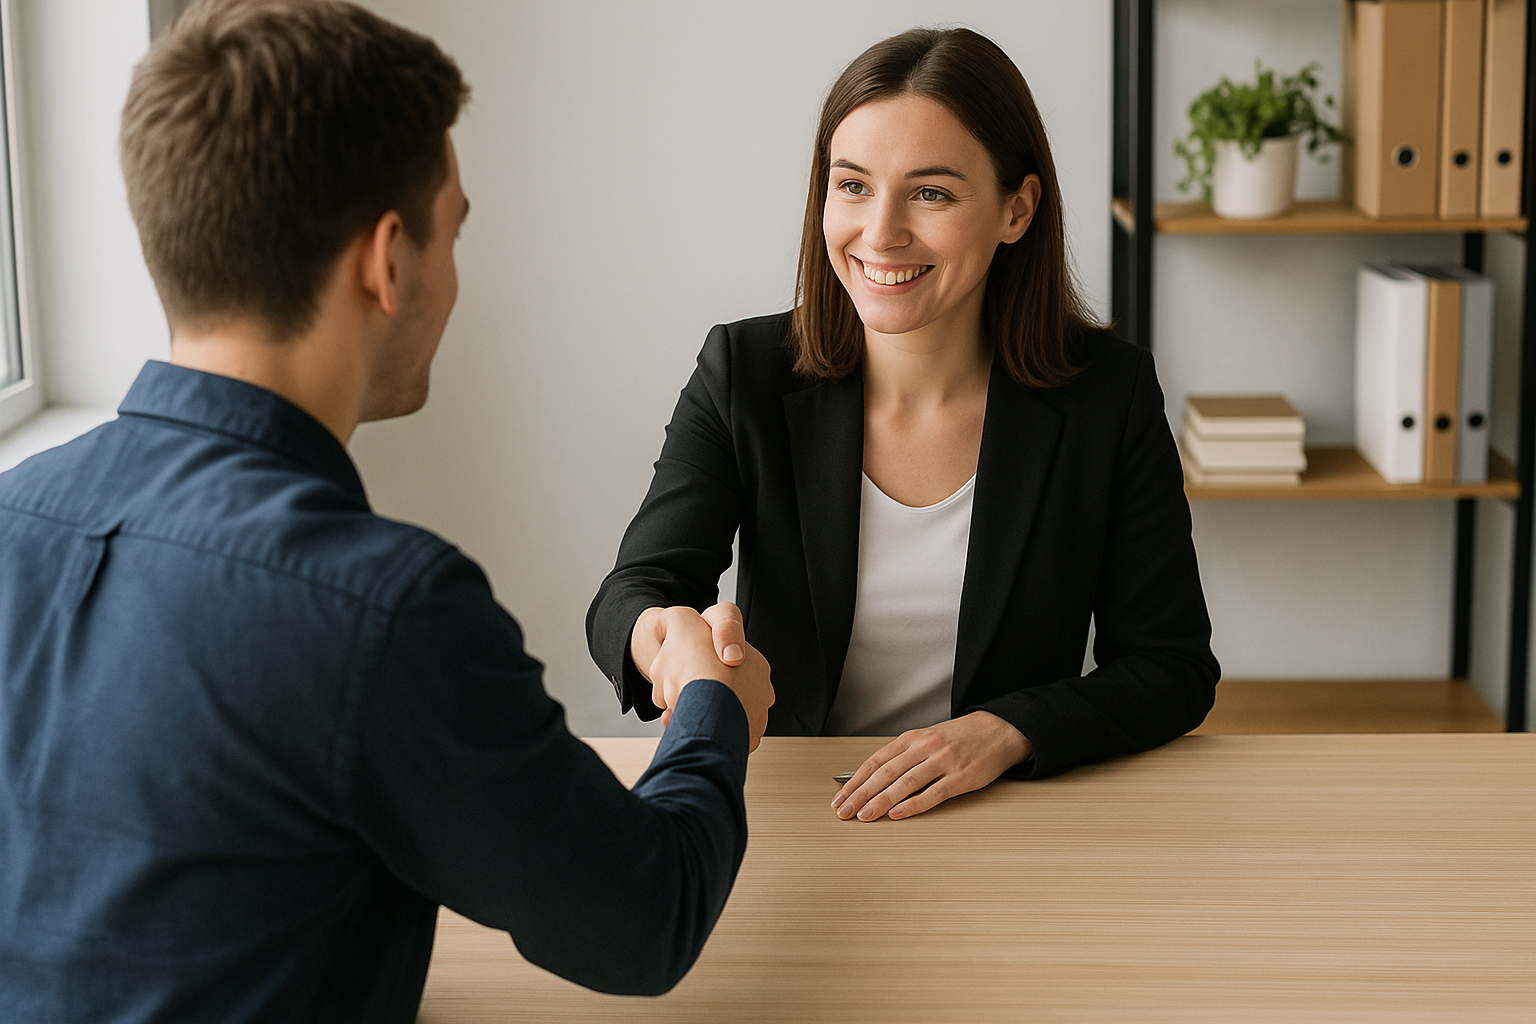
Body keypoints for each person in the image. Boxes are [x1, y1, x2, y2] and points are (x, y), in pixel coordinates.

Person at [0, 2, 772, 1021]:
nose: (454, 274)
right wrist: (715, 706)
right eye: (453, 231)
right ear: (386, 262)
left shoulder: (14, 515)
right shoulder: (380, 607)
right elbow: (643, 918)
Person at [588, 27, 1218, 823]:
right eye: (853, 185)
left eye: (931, 194)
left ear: (1017, 209)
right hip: (793, 808)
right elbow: (632, 593)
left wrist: (1009, 731)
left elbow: (1170, 667)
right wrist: (665, 639)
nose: (881, 232)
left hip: (1002, 814)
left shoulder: (1108, 395)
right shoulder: (743, 373)